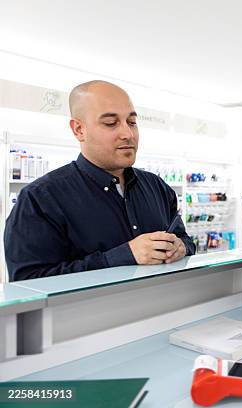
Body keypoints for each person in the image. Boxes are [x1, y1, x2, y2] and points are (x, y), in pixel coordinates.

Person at [5, 80, 195, 281]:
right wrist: (122, 257)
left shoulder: (157, 187)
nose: (128, 134)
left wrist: (181, 247)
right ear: (79, 129)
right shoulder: (40, 199)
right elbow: (29, 282)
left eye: (132, 122)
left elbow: (185, 241)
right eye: (111, 123)